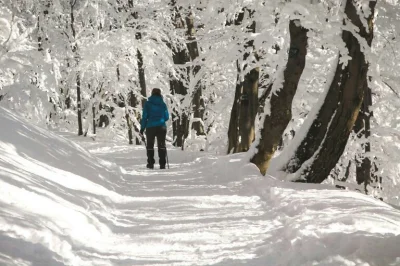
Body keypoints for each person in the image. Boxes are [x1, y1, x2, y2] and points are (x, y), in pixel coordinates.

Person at [140, 88, 169, 169]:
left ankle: (150, 163)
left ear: (152, 93)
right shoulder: (163, 104)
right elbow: (167, 117)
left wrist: (142, 128)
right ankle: (162, 164)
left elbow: (144, 117)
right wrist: (161, 119)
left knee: (150, 145)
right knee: (162, 145)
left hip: (150, 126)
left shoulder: (147, 104)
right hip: (161, 127)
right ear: (160, 94)